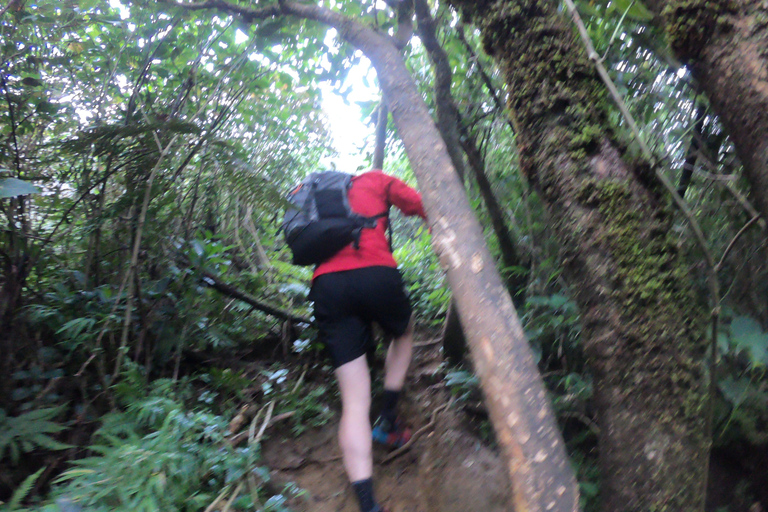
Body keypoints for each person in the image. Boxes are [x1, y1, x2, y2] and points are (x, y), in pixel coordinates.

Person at [308, 168, 427, 512]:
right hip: (376, 273)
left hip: (327, 285)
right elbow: (421, 204)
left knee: (354, 403)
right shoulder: (374, 179)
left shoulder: (309, 190)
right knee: (402, 332)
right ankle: (388, 419)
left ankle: (368, 506)